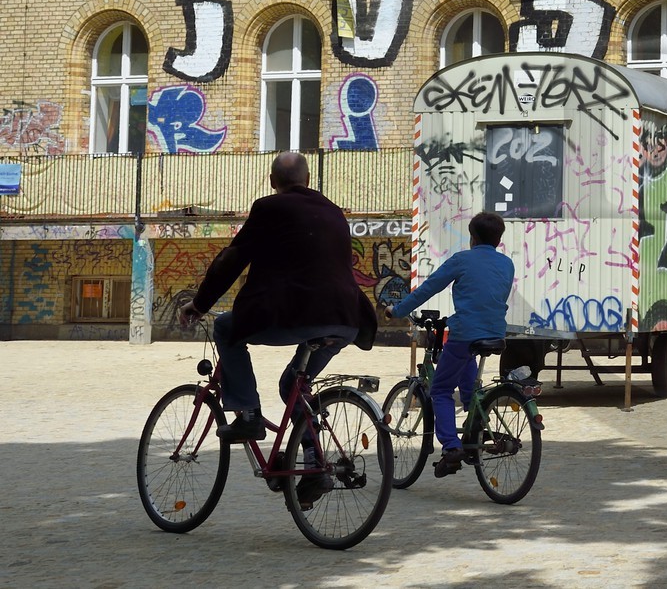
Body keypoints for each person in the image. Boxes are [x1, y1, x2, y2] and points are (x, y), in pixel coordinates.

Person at [179, 151, 376, 504]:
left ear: (272, 181)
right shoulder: (334, 212)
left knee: (225, 327)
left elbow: (232, 259)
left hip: (297, 313)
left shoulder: (269, 207)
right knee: (293, 387)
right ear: (308, 180)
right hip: (346, 319)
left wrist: (201, 303)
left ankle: (249, 414)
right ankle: (314, 464)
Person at [385, 211, 515, 477]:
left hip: (465, 332)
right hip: (496, 333)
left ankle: (451, 447)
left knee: (441, 390)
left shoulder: (462, 260)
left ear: (472, 237)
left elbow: (428, 288)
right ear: (499, 240)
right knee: (467, 378)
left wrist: (397, 311)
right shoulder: (506, 263)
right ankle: (475, 423)